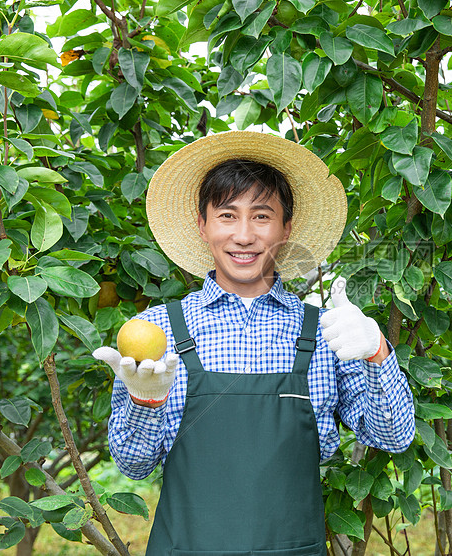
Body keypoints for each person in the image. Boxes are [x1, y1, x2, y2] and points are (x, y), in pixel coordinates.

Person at [92, 131, 416, 556]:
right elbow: (134, 466)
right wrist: (145, 403)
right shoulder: (157, 332)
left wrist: (377, 351)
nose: (244, 236)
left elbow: (393, 436)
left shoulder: (328, 333)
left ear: (287, 228)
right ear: (202, 225)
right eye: (227, 215)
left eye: (261, 216)